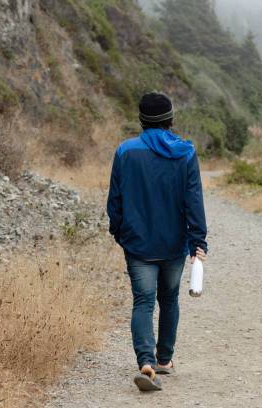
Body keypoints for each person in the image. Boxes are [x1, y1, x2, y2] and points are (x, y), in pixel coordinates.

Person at [106, 92, 208, 392]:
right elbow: (194, 200)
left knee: (143, 301)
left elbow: (115, 199)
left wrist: (119, 231)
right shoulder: (186, 153)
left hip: (137, 243)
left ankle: (145, 362)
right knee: (169, 299)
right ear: (170, 120)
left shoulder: (125, 151)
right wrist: (197, 240)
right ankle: (164, 360)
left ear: (141, 119)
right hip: (174, 243)